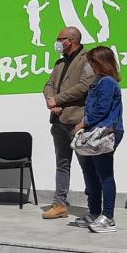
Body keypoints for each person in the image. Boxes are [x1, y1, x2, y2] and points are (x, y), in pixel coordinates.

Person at [42, 27, 95, 219]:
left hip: (77, 121)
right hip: (58, 121)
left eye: (59, 39)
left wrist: (59, 99)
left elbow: (85, 86)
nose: (56, 42)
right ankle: (60, 204)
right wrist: (51, 100)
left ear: (70, 40)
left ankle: (94, 206)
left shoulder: (87, 58)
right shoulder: (59, 62)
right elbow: (48, 84)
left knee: (86, 164)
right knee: (62, 164)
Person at [73, 46, 124, 233]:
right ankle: (94, 212)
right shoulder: (98, 81)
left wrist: (83, 123)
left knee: (105, 175)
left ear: (101, 62)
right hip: (94, 133)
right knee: (90, 173)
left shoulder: (107, 83)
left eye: (92, 62)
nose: (90, 66)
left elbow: (102, 110)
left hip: (105, 132)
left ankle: (108, 217)